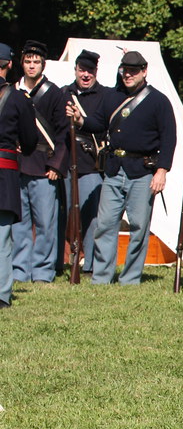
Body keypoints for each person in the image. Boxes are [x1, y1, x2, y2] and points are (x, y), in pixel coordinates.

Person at [70, 50, 176, 285]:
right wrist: (79, 120)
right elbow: (97, 123)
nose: (128, 75)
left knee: (139, 226)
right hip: (114, 168)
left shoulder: (158, 100)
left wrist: (162, 171)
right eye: (125, 70)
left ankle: (130, 278)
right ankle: (101, 276)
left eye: (133, 71)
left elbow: (169, 138)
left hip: (143, 169)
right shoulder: (111, 96)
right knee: (105, 224)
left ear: (144, 71)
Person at [13, 40, 68, 283]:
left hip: (44, 164)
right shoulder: (11, 91)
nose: (32, 66)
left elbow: (63, 133)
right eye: (28, 61)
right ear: (21, 63)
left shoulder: (55, 93)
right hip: (16, 164)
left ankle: (43, 271)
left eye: (36, 62)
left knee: (46, 223)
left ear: (43, 65)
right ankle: (19, 270)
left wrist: (56, 164)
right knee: (20, 222)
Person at [64, 50, 111, 274]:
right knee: (63, 217)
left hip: (91, 163)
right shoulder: (64, 93)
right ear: (75, 69)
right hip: (66, 162)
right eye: (82, 69)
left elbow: (105, 127)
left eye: (90, 70)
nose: (85, 74)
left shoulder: (105, 95)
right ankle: (58, 264)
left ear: (95, 72)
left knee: (92, 218)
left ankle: (90, 265)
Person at [0, 43, 39, 308]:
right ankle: (1, 295)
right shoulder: (17, 99)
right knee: (2, 238)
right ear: (10, 64)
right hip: (4, 174)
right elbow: (29, 141)